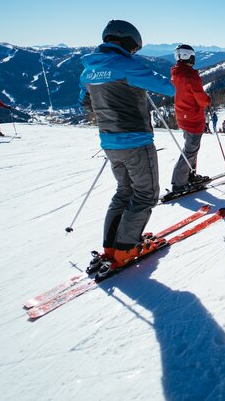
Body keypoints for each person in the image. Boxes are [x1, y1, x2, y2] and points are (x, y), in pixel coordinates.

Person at [79, 19, 175, 272]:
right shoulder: (127, 65)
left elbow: (86, 102)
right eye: (134, 48)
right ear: (129, 42)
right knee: (145, 194)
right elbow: (169, 88)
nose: (134, 53)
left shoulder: (87, 70)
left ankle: (111, 246)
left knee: (124, 191)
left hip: (109, 141)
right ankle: (126, 248)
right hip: (136, 140)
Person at [168, 44, 212, 195]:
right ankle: (179, 183)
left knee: (191, 149)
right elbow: (200, 97)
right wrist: (207, 101)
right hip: (193, 118)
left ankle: (189, 175)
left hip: (182, 116)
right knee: (190, 150)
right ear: (189, 56)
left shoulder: (176, 73)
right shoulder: (191, 75)